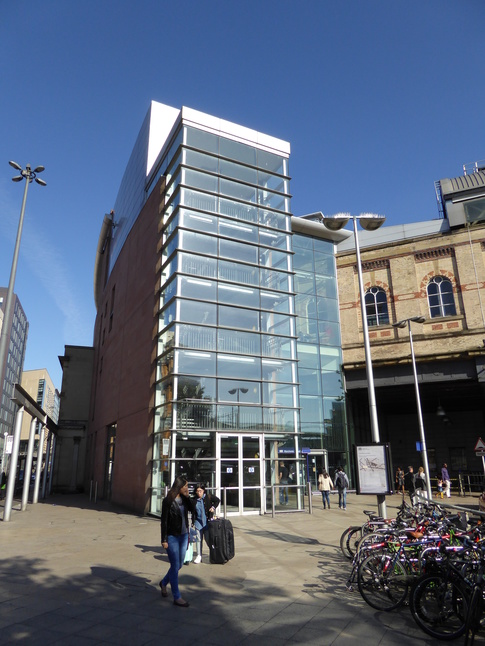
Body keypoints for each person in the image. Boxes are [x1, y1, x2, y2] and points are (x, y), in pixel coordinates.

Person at [160, 476, 195, 607]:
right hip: (172, 536)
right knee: (175, 565)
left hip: (184, 535)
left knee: (179, 564)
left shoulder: (185, 500)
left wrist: (188, 496)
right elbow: (164, 521)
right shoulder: (168, 501)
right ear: (179, 486)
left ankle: (163, 583)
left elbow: (193, 509)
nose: (187, 488)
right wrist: (163, 539)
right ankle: (177, 597)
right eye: (185, 486)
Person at [192, 483, 220, 563]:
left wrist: (213, 507)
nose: (198, 493)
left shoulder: (208, 497)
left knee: (208, 539)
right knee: (198, 539)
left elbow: (217, 500)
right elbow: (193, 511)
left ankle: (214, 554)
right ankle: (199, 555)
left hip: (207, 522)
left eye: (200, 491)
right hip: (198, 522)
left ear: (204, 491)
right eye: (197, 491)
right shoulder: (194, 500)